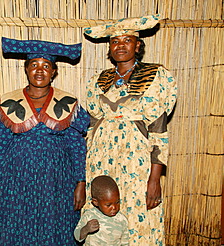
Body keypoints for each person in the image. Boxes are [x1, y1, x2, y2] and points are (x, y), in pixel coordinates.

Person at [83, 15, 177, 245]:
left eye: (127, 40)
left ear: (137, 45)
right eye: (115, 41)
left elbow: (158, 130)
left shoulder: (155, 76)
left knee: (137, 214)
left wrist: (155, 179)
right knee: (102, 215)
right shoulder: (99, 80)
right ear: (109, 47)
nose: (121, 46)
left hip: (137, 160)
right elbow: (93, 124)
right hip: (102, 158)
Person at [0, 37, 90, 245]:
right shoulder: (9, 103)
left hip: (57, 185)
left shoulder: (68, 103)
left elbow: (77, 147)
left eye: (46, 66)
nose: (40, 70)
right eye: (34, 65)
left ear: (53, 72)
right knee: (15, 230)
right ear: (26, 70)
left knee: (55, 230)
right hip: (16, 183)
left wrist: (80, 182)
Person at [74, 175, 129, 245]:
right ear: (95, 202)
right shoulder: (89, 215)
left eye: (117, 202)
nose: (114, 207)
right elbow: (77, 237)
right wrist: (86, 229)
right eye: (108, 205)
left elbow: (125, 243)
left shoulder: (122, 219)